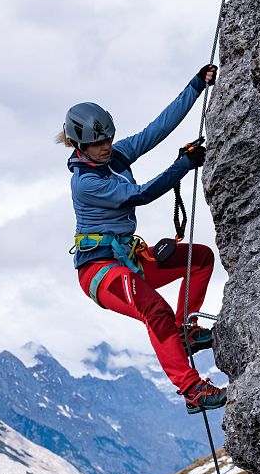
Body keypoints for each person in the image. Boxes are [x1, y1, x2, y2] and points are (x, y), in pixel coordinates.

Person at [59, 65, 227, 414]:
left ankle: (187, 330)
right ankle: (191, 389)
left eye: (107, 139)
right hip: (99, 271)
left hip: (128, 259)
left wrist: (195, 86)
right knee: (155, 310)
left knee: (201, 259)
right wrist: (184, 165)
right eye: (97, 143)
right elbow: (142, 194)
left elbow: (157, 129)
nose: (106, 147)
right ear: (79, 145)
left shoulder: (115, 156)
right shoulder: (86, 183)